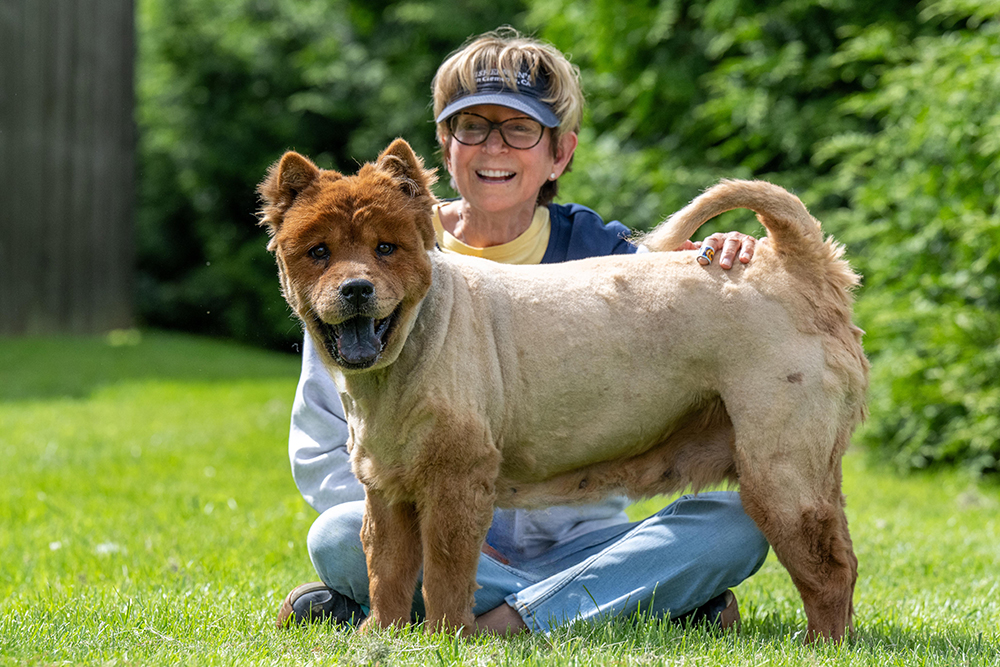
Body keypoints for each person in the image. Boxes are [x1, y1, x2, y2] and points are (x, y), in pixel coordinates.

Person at [276, 28, 769, 636]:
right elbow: (325, 442)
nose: (493, 147)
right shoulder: (372, 269)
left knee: (738, 525)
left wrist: (727, 256)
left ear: (560, 152)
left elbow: (693, 303)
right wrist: (444, 526)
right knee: (336, 535)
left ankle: (497, 614)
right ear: (445, 146)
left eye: (520, 129)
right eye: (472, 126)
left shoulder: (611, 259)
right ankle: (615, 603)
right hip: (435, 540)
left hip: (583, 540)